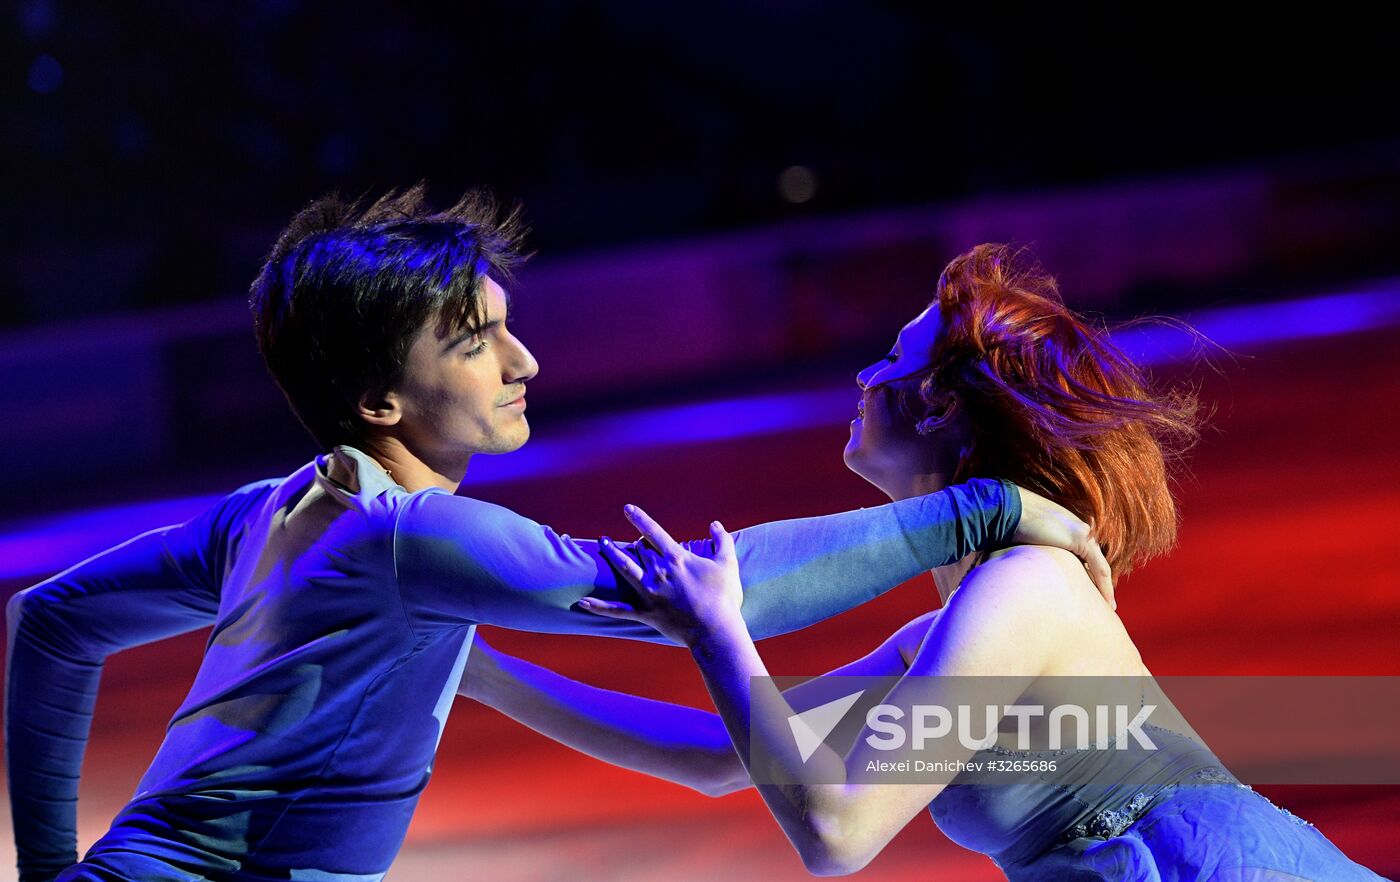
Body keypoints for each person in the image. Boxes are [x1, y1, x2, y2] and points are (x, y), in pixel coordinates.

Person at [4, 192, 1112, 882]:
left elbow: (49, 618)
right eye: (479, 342)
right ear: (380, 400)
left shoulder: (268, 512)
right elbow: (711, 595)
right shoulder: (418, 538)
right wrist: (983, 508)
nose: (524, 363)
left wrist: (55, 872)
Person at [546, 244, 1384, 879]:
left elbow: (838, 830)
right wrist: (482, 670)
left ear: (943, 405)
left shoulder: (1022, 591)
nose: (866, 375)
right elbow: (715, 755)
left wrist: (718, 632)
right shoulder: (962, 620)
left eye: (891, 359)